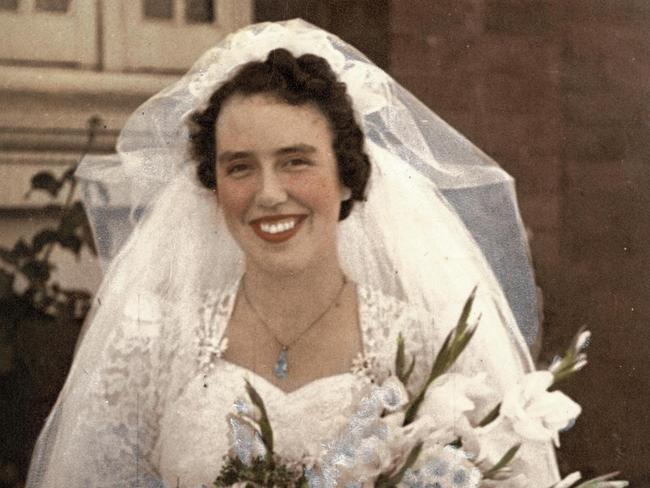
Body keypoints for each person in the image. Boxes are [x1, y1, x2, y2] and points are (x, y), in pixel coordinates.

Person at [26, 20, 559, 487]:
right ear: (212, 186)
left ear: (347, 177)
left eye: (295, 161)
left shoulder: (421, 345)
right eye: (239, 166)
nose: (268, 193)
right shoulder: (152, 345)